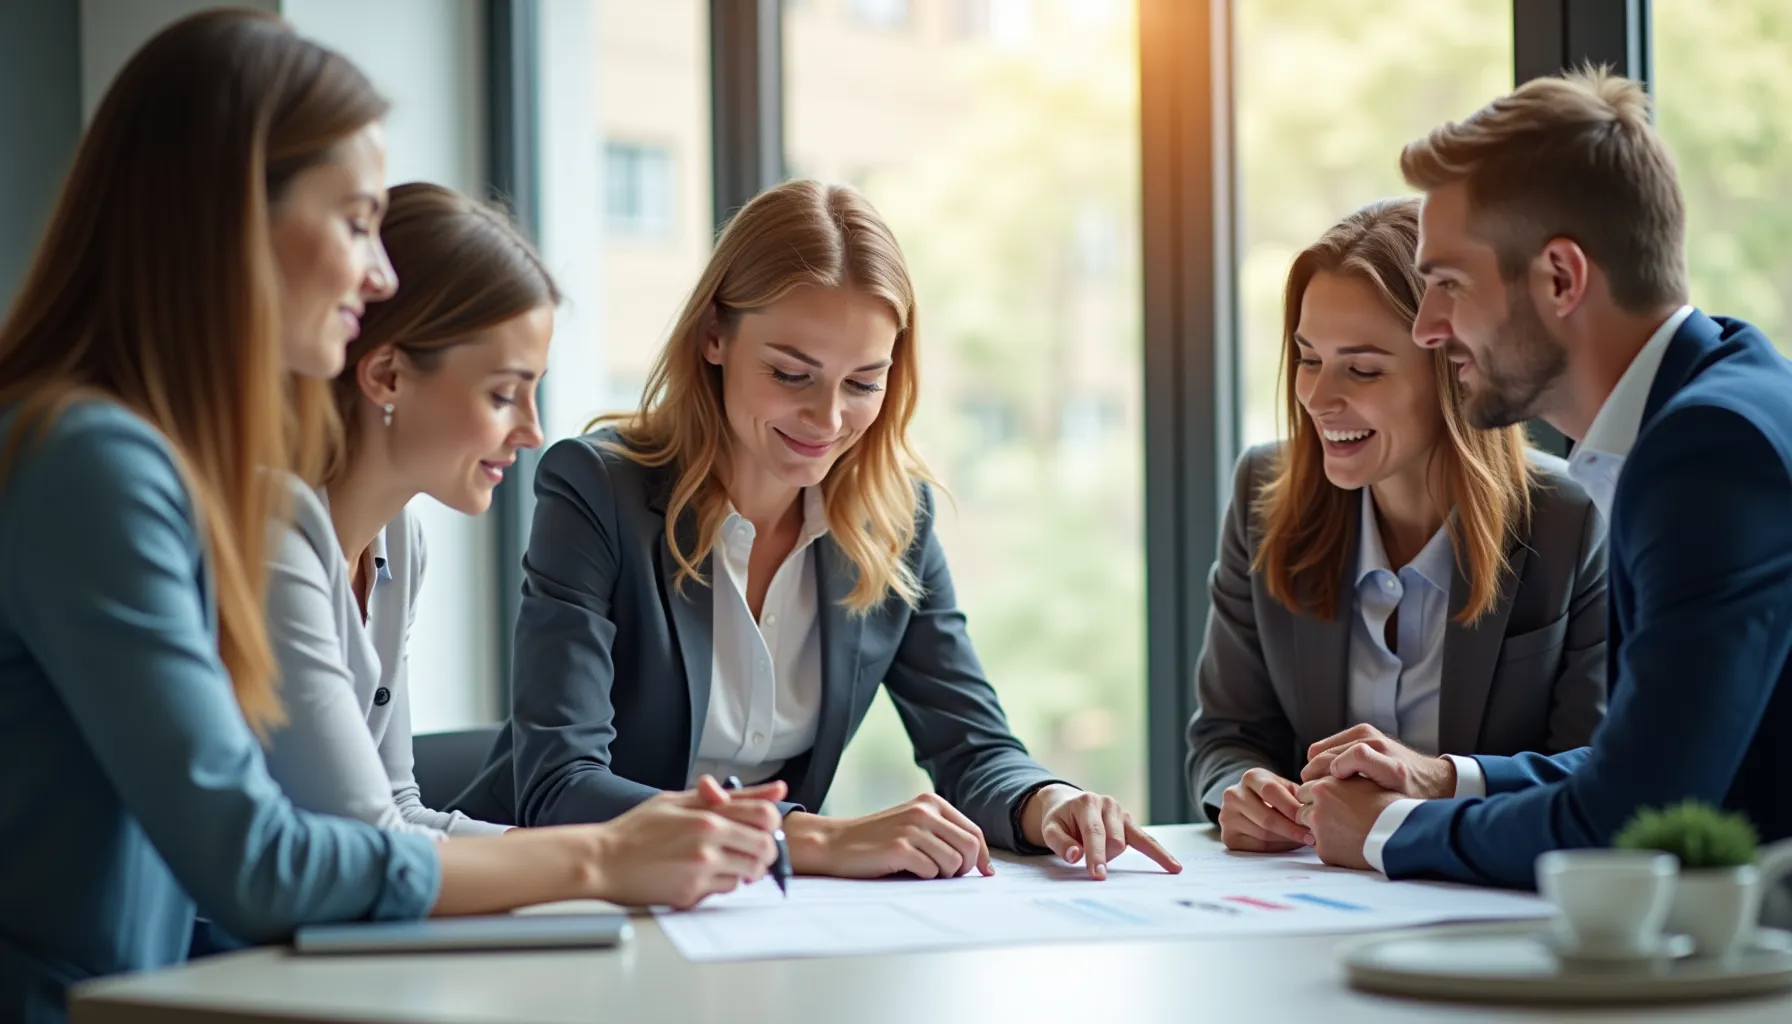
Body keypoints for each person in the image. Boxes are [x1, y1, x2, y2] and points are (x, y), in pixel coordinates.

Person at [0, 13, 773, 1016]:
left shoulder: (156, 467)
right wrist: (597, 858)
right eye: (356, 220)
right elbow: (257, 861)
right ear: (235, 218)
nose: (380, 275)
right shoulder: (94, 466)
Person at [455, 179, 1181, 882]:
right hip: (562, 899)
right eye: (791, 374)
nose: (828, 420)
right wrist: (805, 837)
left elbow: (971, 745)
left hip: (752, 916)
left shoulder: (896, 516)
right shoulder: (596, 489)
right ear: (715, 336)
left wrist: (1044, 802)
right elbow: (559, 788)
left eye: (863, 383)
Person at [1294, 69, 1792, 887]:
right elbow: (1651, 764)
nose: (1428, 328)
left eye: (1448, 284)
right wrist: (1445, 779)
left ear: (1561, 278)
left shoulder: (1707, 455)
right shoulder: (1718, 399)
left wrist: (1391, 832)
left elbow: (1627, 822)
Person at [1187, 198, 1607, 853]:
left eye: (1361, 369)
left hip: (1491, 906)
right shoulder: (1262, 494)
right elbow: (1226, 732)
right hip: (1308, 902)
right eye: (1307, 358)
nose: (1318, 399)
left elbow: (1602, 769)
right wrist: (1243, 791)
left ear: (1454, 371)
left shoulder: (1572, 518)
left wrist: (1444, 780)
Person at [260, 182, 552, 838]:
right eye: (505, 394)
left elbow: (397, 810)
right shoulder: (269, 538)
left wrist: (606, 852)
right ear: (388, 375)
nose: (532, 431)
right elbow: (371, 840)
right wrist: (605, 859)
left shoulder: (399, 537)